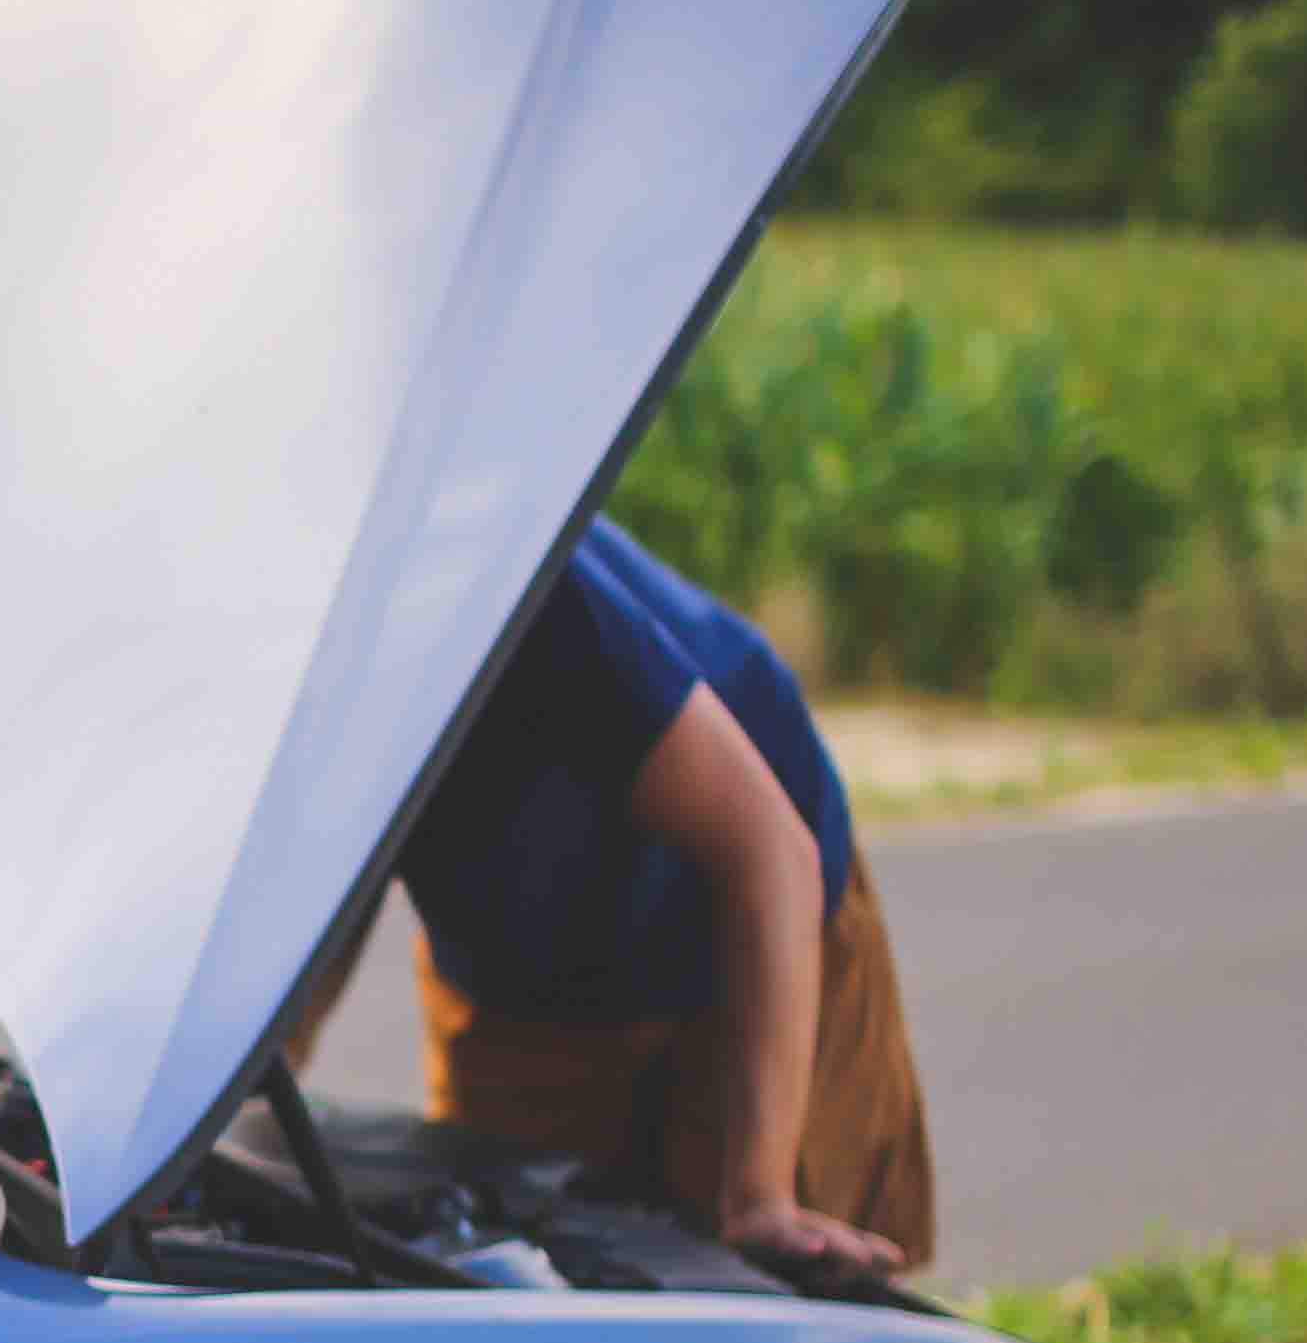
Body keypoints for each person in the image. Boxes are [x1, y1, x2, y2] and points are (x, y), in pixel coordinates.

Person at [374, 516, 936, 1283]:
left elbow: (771, 858)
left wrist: (761, 1193)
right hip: (519, 976)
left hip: (754, 926)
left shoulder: (524, 594)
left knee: (775, 1287)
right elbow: (306, 901)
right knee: (508, 1279)